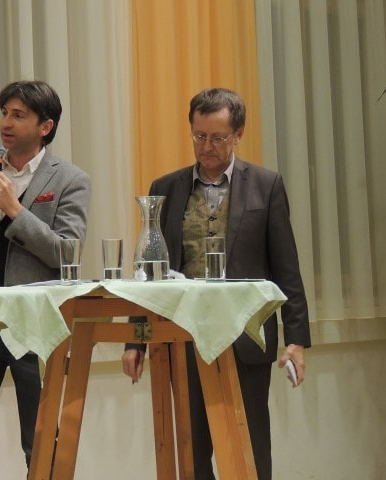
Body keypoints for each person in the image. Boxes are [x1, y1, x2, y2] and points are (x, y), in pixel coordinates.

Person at [122, 88, 311, 479]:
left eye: (217, 137)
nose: (206, 146)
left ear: (238, 134)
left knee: (249, 446)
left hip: (246, 336)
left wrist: (296, 340)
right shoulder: (166, 187)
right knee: (192, 448)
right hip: (182, 334)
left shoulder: (266, 185)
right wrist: (135, 339)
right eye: (199, 136)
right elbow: (149, 270)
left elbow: (286, 268)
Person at [0, 80, 91, 476]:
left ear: (45, 126)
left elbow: (68, 253)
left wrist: (16, 210)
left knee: (40, 439)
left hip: (34, 323)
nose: (6, 123)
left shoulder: (70, 180)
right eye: (4, 113)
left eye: (18, 115)